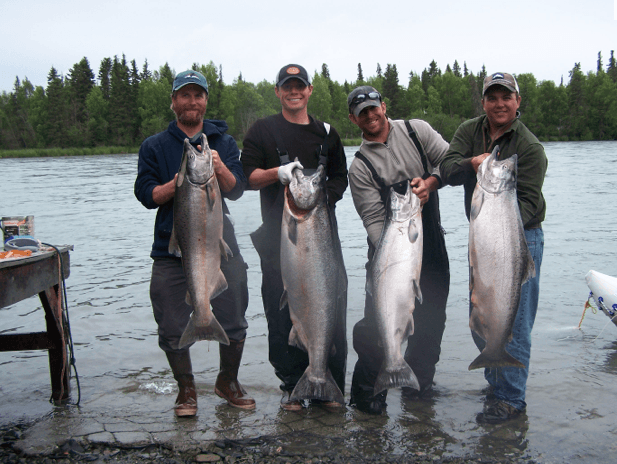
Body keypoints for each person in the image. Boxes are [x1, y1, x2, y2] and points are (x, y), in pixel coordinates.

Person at [134, 70, 254, 417]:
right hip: (171, 250)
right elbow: (146, 194)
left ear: (205, 101)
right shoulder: (154, 146)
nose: (191, 101)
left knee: (234, 319)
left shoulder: (225, 142)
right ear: (173, 102)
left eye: (197, 95)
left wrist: (218, 168)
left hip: (220, 246)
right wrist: (180, 184)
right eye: (184, 95)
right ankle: (186, 391)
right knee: (171, 325)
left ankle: (227, 382)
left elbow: (237, 188)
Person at [440, 72, 547, 423]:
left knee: (513, 324)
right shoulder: (469, 131)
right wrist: (470, 164)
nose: (499, 103)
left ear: (518, 101)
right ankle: (496, 383)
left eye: (507, 97)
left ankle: (511, 401)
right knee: (479, 319)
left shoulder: (530, 148)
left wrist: (502, 222)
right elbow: (446, 168)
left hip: (521, 239)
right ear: (484, 102)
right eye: (492, 97)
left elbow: (529, 205)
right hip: (483, 238)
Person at [241, 64, 348, 410]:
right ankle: (291, 385)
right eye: (287, 86)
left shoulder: (327, 132)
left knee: (330, 305)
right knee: (280, 311)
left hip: (321, 238)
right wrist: (278, 173)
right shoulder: (262, 130)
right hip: (278, 243)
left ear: (310, 90)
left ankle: (328, 383)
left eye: (299, 86)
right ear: (278, 92)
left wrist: (315, 195)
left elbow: (339, 179)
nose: (294, 91)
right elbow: (248, 178)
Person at [346, 85, 450, 415]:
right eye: (363, 113)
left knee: (431, 323)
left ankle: (418, 393)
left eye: (374, 108)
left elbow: (452, 162)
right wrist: (400, 253)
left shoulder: (416, 131)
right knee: (377, 325)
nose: (371, 115)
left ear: (384, 106)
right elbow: (374, 220)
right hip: (389, 254)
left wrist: (431, 182)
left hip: (432, 245)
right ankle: (367, 399)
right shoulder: (360, 167)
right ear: (354, 120)